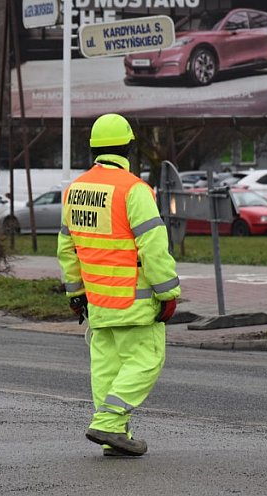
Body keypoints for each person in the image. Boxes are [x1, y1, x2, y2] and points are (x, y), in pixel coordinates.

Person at [57, 113, 181, 457]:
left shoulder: (75, 190)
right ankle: (110, 423)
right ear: (128, 146)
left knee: (107, 367)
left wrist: (76, 293)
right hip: (134, 300)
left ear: (94, 148)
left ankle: (116, 433)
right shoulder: (134, 190)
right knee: (147, 360)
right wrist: (168, 293)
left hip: (97, 301)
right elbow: (154, 247)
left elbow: (67, 249)